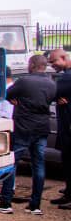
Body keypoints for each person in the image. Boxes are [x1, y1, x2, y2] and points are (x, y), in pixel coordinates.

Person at [0, 54, 55, 215]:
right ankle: (35, 205)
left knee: (12, 163)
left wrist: (15, 100)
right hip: (42, 128)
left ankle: (6, 202)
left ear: (32, 65)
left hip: (23, 127)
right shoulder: (51, 83)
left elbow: (6, 94)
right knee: (39, 165)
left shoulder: (24, 81)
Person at [46, 49, 71, 208]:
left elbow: (50, 93)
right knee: (67, 162)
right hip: (66, 126)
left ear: (63, 58)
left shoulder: (67, 77)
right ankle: (68, 194)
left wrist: (58, 96)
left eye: (53, 61)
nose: (51, 65)